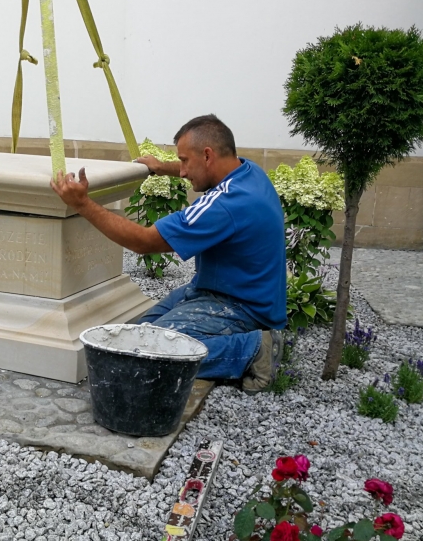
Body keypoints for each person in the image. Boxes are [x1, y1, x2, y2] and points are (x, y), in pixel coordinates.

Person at [50, 114, 286, 393]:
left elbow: (144, 241)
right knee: (138, 334)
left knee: (146, 353)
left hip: (242, 307)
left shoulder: (225, 204)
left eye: (184, 161)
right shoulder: (247, 172)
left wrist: (82, 203)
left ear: (208, 155)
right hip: (223, 291)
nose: (183, 172)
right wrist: (162, 168)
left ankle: (254, 350)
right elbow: (198, 169)